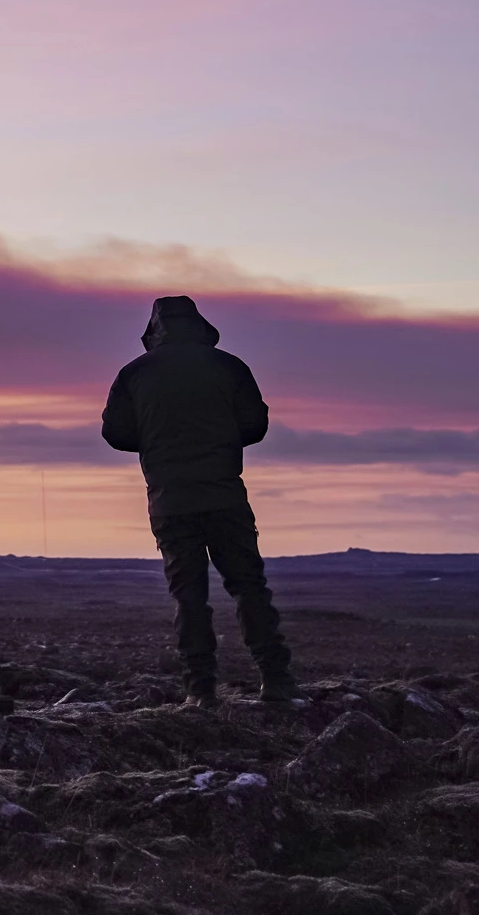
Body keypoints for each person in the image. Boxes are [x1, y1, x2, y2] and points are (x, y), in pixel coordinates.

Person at [101, 296, 299, 707]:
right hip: (225, 494)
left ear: (154, 329)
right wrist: (217, 437)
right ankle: (276, 682)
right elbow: (255, 425)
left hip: (170, 500)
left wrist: (159, 439)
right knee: (249, 587)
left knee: (189, 597)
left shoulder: (135, 374)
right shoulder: (229, 366)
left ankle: (200, 690)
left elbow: (116, 433)